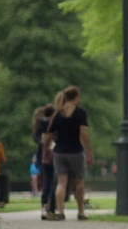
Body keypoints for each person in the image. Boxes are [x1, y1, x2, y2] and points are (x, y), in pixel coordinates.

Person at [46, 86, 93, 220]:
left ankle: (60, 212)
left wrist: (46, 151)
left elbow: (49, 133)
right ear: (76, 97)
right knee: (79, 183)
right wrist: (89, 150)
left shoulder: (57, 113)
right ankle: (81, 212)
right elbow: (83, 134)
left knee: (61, 183)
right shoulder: (80, 113)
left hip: (60, 152)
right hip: (76, 151)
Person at [33, 104, 58, 220]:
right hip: (54, 154)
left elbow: (36, 137)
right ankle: (51, 207)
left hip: (43, 154)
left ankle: (44, 205)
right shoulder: (54, 123)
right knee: (54, 181)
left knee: (46, 180)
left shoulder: (40, 123)